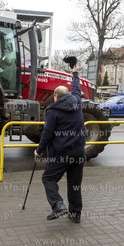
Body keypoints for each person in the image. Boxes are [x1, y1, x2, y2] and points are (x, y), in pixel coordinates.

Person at [34, 65, 86, 223]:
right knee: (74, 183)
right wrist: (75, 74)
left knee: (48, 178)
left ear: (56, 96)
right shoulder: (76, 102)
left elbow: (47, 134)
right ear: (68, 95)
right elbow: (76, 88)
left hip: (61, 154)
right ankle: (75, 214)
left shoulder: (53, 111)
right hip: (78, 152)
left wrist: (39, 150)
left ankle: (58, 204)